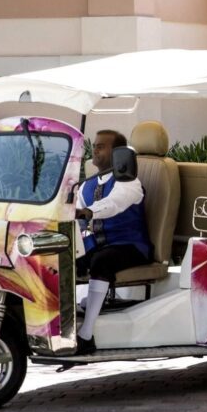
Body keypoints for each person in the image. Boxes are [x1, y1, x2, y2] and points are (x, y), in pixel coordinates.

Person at [73, 129, 149, 354]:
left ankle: (86, 335)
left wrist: (88, 212)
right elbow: (75, 216)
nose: (95, 150)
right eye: (95, 146)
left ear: (118, 153)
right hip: (99, 244)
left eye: (101, 146)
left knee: (101, 261)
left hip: (130, 245)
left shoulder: (129, 182)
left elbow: (115, 203)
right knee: (63, 259)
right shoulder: (86, 185)